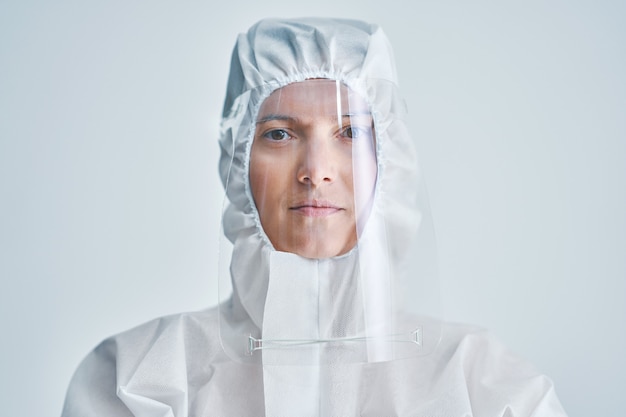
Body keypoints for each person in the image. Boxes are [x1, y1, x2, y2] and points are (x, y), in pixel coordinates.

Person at [61, 18, 568, 416]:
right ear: (237, 158)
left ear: (392, 158)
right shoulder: (139, 381)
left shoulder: (483, 384)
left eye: (350, 134)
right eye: (280, 133)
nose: (316, 171)